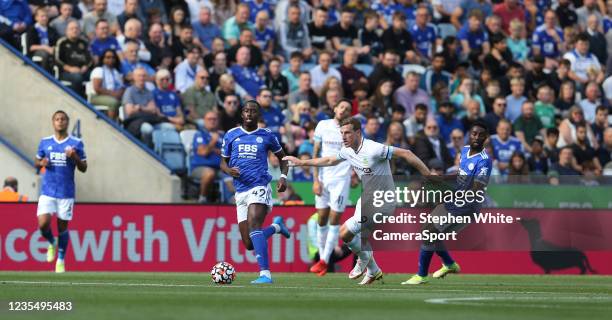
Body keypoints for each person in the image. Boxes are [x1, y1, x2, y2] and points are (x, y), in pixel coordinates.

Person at [284, 117, 431, 285]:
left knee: (344, 232)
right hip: (367, 199)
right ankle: (373, 271)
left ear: (358, 133)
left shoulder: (374, 149)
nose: (344, 137)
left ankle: (364, 258)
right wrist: (302, 161)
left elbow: (407, 153)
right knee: (360, 239)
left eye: (347, 133)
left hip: (383, 201)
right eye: (341, 133)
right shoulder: (347, 151)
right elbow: (330, 160)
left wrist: (428, 175)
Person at [403, 121, 491, 285]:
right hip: (455, 201)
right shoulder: (464, 151)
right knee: (430, 231)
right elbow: (461, 176)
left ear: (486, 137)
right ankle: (449, 264)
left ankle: (422, 275)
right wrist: (443, 179)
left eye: (481, 134)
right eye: (474, 133)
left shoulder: (484, 161)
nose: (477, 137)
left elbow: (477, 189)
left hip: (467, 206)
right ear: (469, 135)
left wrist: (451, 194)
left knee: (429, 232)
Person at [220, 100, 291, 284]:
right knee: (249, 243)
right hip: (240, 191)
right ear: (242, 114)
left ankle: (265, 274)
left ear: (258, 115)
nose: (250, 113)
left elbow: (284, 159)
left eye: (253, 111)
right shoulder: (231, 135)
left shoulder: (266, 135)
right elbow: (222, 162)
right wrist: (228, 171)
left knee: (254, 225)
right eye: (246, 110)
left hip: (259, 186)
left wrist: (283, 177)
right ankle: (276, 227)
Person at [35, 111, 87, 273]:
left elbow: (84, 168)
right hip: (48, 191)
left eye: (63, 119)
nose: (60, 122)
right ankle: (51, 242)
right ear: (53, 122)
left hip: (66, 192)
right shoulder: (45, 142)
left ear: (67, 122)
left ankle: (61, 260)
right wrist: (41, 162)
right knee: (43, 224)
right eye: (57, 119)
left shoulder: (76, 143)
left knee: (62, 227)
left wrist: (74, 157)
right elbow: (37, 161)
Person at [308, 99, 353, 277]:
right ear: (335, 109)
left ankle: (324, 261)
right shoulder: (322, 125)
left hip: (341, 180)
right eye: (341, 106)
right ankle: (322, 258)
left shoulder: (351, 130)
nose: (343, 110)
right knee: (321, 218)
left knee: (334, 219)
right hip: (324, 178)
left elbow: (355, 153)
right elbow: (315, 152)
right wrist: (315, 180)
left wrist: (356, 173)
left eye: (347, 108)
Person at [191, 111, 232, 203]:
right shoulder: (199, 134)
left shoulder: (224, 136)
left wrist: (213, 149)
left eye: (214, 119)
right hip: (200, 167)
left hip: (221, 169)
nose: (212, 121)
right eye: (209, 119)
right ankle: (202, 198)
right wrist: (213, 141)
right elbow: (203, 152)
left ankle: (232, 202)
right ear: (204, 121)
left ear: (218, 121)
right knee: (210, 173)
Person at [55, 20, 92, 96]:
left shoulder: (84, 43)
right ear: (66, 31)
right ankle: (77, 99)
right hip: (66, 72)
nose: (75, 30)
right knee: (77, 78)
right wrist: (69, 68)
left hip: (82, 71)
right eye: (72, 29)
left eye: (77, 28)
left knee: (95, 77)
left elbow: (90, 59)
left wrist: (85, 67)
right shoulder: (62, 42)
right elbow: (57, 59)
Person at [90, 49, 124, 119]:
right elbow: (97, 89)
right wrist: (114, 94)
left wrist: (120, 93)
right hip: (97, 96)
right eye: (108, 57)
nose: (111, 59)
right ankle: (111, 125)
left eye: (113, 57)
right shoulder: (99, 70)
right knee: (113, 102)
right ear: (103, 59)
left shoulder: (116, 72)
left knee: (127, 102)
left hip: (113, 95)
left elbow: (121, 86)